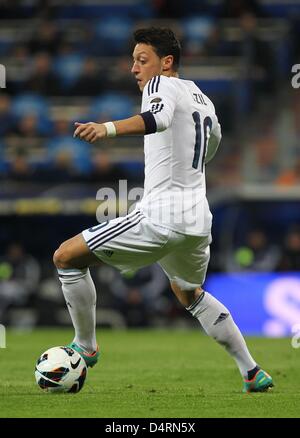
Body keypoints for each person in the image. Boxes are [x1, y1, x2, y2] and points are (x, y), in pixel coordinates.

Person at [53, 27, 273, 393]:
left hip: (162, 215)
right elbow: (212, 144)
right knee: (189, 292)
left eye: (142, 60)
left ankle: (86, 348)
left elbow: (159, 120)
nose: (135, 69)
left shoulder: (161, 86)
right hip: (198, 220)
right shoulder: (202, 97)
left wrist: (105, 129)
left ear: (166, 62)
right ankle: (251, 371)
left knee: (66, 257)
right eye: (133, 61)